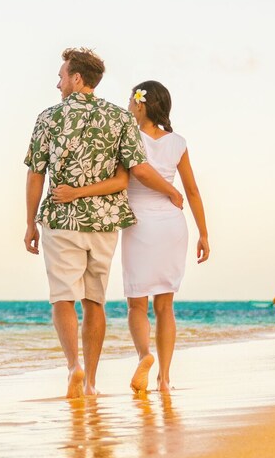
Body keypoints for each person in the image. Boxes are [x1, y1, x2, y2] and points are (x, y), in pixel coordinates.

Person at [24, 48, 183, 399]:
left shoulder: (48, 118)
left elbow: (36, 174)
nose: (58, 82)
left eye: (62, 76)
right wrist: (172, 192)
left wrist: (30, 223)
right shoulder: (119, 118)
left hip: (61, 219)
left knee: (64, 298)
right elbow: (138, 171)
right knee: (95, 301)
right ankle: (92, 381)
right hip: (104, 222)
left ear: (77, 78)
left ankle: (73, 367)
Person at [52, 80, 209, 394]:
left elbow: (128, 176)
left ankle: (144, 354)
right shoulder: (178, 142)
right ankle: (164, 380)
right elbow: (191, 191)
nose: (127, 106)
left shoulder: (127, 134)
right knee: (166, 305)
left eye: (130, 100)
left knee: (137, 305)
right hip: (172, 224)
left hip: (139, 223)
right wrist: (204, 234)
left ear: (140, 104)